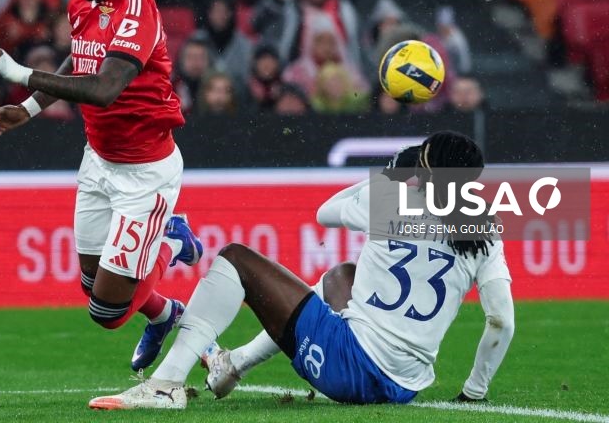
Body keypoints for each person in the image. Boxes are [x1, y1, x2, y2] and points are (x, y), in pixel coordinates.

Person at [87, 131, 514, 409]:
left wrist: (388, 176)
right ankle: (230, 364)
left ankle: (165, 385)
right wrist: (473, 393)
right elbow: (501, 322)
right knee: (341, 276)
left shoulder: (394, 202)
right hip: (406, 384)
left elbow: (326, 212)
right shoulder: (484, 229)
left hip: (352, 369)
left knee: (235, 258)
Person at [0, 0, 203, 372]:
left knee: (107, 313)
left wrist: (20, 74)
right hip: (98, 159)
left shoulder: (138, 7)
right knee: (93, 282)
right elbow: (81, 58)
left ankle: (172, 240)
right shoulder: (81, 1)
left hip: (144, 172)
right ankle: (166, 314)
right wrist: (31, 108)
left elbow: (103, 89)